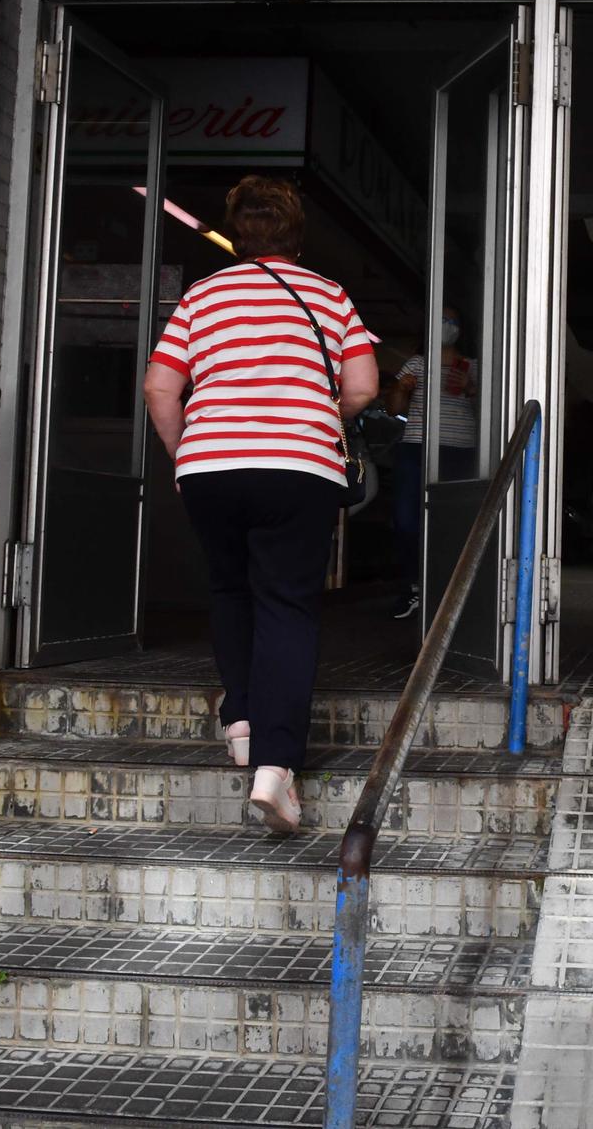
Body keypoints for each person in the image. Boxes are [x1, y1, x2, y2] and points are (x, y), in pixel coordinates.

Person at [142, 175, 378, 833]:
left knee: (230, 588)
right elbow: (361, 385)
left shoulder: (203, 295)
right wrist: (320, 410)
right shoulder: (330, 296)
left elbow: (161, 387)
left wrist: (184, 455)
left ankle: (242, 719)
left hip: (212, 463)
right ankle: (274, 769)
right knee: (288, 604)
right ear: (296, 234)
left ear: (238, 233)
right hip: (300, 467)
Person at [383, 306, 479, 618]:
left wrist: (470, 388)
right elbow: (393, 408)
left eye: (451, 320)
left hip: (459, 450)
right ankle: (413, 587)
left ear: (460, 329)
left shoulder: (472, 367)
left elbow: (491, 410)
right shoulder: (417, 363)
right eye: (441, 320)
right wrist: (401, 388)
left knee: (453, 522)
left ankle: (448, 591)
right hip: (417, 446)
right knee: (407, 520)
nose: (446, 325)